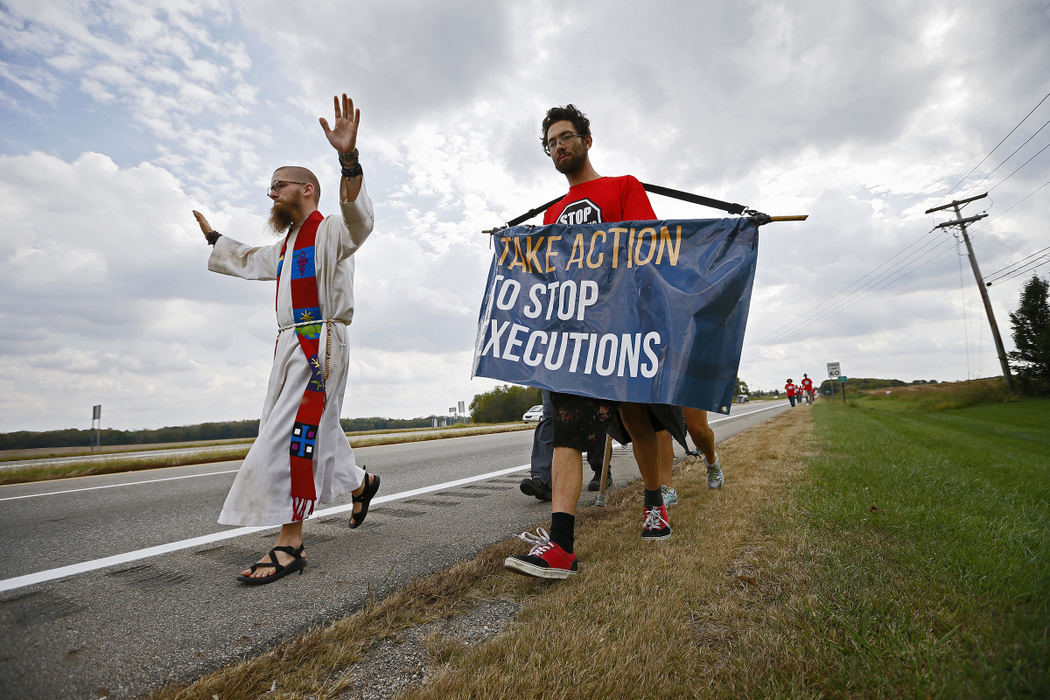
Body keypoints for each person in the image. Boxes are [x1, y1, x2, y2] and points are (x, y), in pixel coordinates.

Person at [192, 93, 381, 585]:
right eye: (270, 187)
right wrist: (216, 241)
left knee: (290, 434)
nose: (271, 193)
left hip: (320, 342)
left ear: (308, 189)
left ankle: (290, 542)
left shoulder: (330, 232)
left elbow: (361, 220)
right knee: (320, 428)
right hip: (289, 345)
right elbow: (253, 259)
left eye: (278, 185)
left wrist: (348, 158)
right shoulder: (289, 244)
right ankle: (361, 483)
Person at [504, 104, 673, 580]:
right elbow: (549, 275)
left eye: (565, 137)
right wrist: (513, 248)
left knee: (638, 421)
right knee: (566, 434)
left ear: (586, 140)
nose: (558, 146)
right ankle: (561, 546)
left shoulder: (623, 187)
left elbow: (650, 246)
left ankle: (654, 503)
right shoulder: (552, 214)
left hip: (621, 330)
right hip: (575, 342)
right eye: (550, 142)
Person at [520, 390, 611, 501]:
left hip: (586, 376)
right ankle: (543, 480)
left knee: (594, 416)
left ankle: (601, 470)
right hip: (554, 375)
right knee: (551, 417)